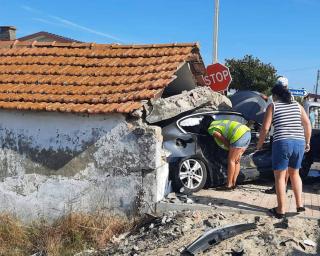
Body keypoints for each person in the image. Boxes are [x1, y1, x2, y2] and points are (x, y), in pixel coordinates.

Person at [257, 82, 311, 218]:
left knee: (280, 177)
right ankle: (300, 205)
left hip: (282, 142)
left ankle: (280, 210)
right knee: (295, 174)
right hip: (299, 142)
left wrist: (259, 144)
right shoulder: (297, 106)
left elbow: (265, 128)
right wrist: (307, 142)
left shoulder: (273, 106)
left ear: (275, 95)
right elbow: (307, 124)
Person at [200, 116, 251, 191]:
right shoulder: (218, 122)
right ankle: (233, 183)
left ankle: (229, 185)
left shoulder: (211, 129)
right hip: (247, 133)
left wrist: (230, 148)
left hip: (238, 135)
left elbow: (222, 138)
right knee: (236, 161)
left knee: (231, 160)